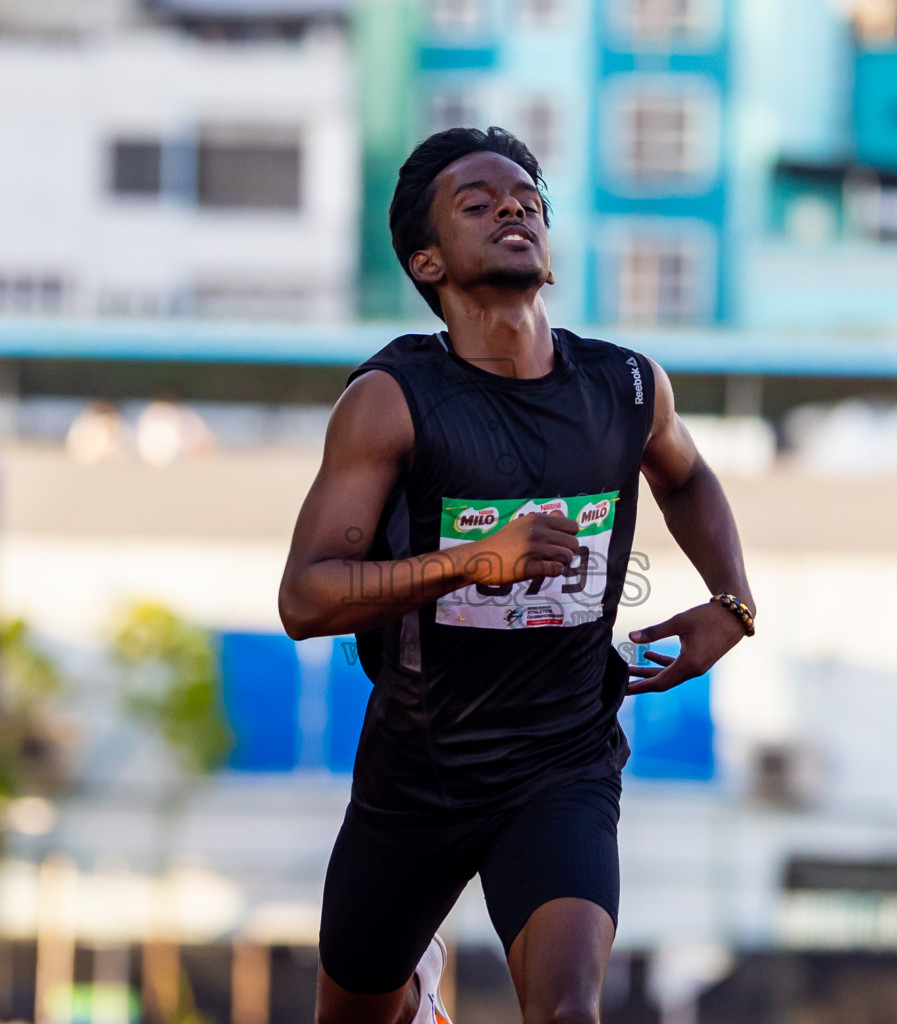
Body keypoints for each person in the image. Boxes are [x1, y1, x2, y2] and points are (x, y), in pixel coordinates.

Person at [277, 127, 756, 1024]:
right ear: (427, 260)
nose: (513, 209)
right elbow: (304, 597)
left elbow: (687, 475)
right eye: (479, 202)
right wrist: (472, 562)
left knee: (569, 1012)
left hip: (561, 761)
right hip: (419, 769)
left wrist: (732, 601)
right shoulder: (391, 401)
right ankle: (416, 988)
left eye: (529, 200)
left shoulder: (625, 386)